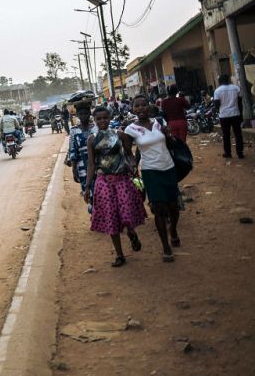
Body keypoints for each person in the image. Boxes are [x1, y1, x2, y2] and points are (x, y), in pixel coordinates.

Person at [84, 106, 146, 267]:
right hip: (104, 182)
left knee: (126, 215)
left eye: (105, 118)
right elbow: (91, 165)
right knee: (111, 218)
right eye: (99, 119)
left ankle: (132, 233)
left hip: (122, 180)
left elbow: (130, 155)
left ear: (110, 118)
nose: (102, 121)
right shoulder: (92, 139)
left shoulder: (120, 135)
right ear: (95, 120)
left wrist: (134, 169)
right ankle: (119, 255)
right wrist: (88, 186)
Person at [125, 95, 181, 262]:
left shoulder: (159, 122)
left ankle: (174, 230)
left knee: (173, 206)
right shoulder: (130, 130)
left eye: (143, 105)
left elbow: (170, 144)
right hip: (150, 171)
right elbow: (128, 152)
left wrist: (169, 135)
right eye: (137, 106)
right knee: (158, 208)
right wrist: (133, 166)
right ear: (132, 109)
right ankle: (166, 247)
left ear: (149, 107)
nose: (141, 108)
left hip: (168, 168)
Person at [67, 104, 95, 212]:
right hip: (82, 165)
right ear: (77, 115)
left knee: (99, 187)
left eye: (86, 113)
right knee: (86, 188)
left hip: (97, 162)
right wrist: (74, 169)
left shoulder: (96, 127)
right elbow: (72, 150)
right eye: (81, 114)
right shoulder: (74, 130)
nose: (83, 116)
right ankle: (93, 211)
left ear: (89, 113)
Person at [213, 74, 245, 159]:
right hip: (235, 114)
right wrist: (241, 115)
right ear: (228, 80)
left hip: (224, 115)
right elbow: (240, 103)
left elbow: (216, 105)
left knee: (226, 135)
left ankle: (228, 153)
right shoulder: (236, 88)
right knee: (238, 134)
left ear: (220, 81)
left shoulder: (217, 91)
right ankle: (240, 153)